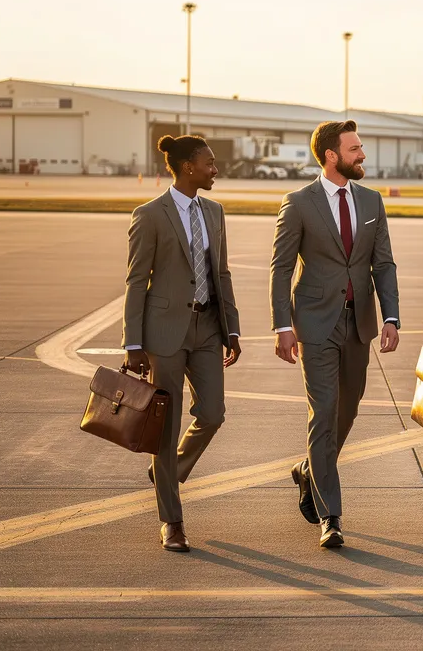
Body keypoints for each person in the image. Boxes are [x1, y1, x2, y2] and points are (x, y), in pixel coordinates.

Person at [270, 120, 401, 549]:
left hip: (358, 323)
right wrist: (283, 325)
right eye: (355, 148)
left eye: (360, 147)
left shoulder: (371, 201)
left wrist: (391, 317)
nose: (362, 155)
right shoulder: (298, 203)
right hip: (315, 324)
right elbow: (282, 268)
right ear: (330, 155)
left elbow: (383, 263)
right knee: (323, 413)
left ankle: (309, 469)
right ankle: (332, 516)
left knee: (348, 410)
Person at [123, 134, 242, 552]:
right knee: (165, 427)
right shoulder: (150, 215)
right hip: (165, 333)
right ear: (188, 166)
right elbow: (137, 281)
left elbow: (221, 273)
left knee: (212, 413)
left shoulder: (214, 211)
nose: (215, 169)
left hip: (208, 327)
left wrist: (233, 328)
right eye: (209, 163)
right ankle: (171, 522)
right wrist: (132, 343)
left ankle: (167, 472)